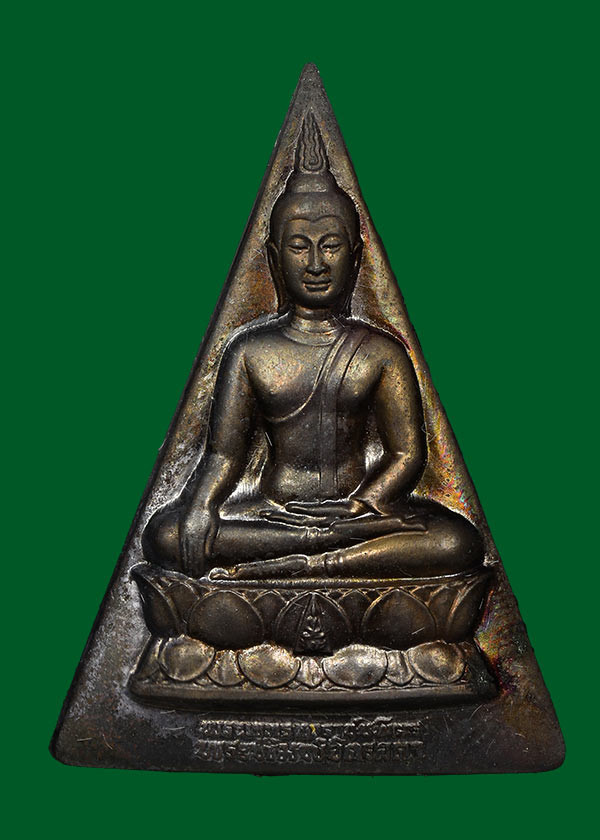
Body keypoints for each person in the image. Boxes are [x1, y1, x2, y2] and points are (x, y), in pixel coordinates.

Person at [143, 114, 483, 580]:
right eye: (300, 247)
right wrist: (202, 505)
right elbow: (223, 455)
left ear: (356, 256)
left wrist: (365, 503)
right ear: (273, 256)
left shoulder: (380, 351)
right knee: (164, 534)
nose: (317, 264)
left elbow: (408, 454)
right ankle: (312, 546)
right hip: (273, 514)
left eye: (332, 245)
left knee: (457, 541)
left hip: (355, 516)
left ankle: (317, 559)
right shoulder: (250, 351)